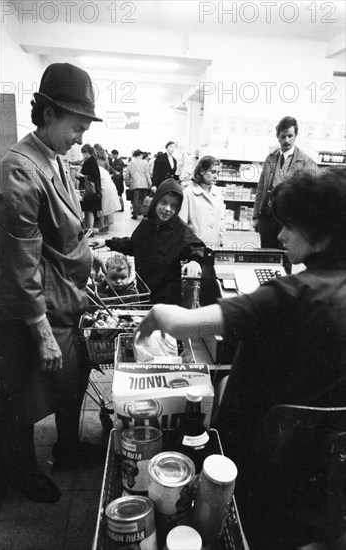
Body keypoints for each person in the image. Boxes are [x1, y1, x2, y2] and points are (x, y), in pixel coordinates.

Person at [136, 167, 346, 549]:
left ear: (323, 233)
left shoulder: (287, 294)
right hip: (327, 463)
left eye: (290, 225)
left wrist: (160, 314)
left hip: (263, 453)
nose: (280, 234)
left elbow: (186, 324)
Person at [0, 63, 105, 504]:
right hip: (32, 312)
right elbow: (19, 262)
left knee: (72, 378)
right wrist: (41, 332)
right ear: (49, 115)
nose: (80, 137)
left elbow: (67, 234)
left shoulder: (53, 160)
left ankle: (68, 445)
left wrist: (93, 259)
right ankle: (20, 473)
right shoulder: (20, 170)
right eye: (76, 126)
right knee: (22, 397)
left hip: (64, 301)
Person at [93, 179, 206, 305]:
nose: (168, 209)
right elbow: (133, 245)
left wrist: (195, 261)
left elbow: (197, 247)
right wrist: (107, 242)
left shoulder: (180, 230)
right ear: (156, 200)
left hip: (168, 297)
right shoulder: (147, 224)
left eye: (173, 205)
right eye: (164, 202)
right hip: (145, 291)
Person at [253, 116, 318, 249]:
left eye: (290, 136)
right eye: (283, 136)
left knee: (285, 257)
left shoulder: (306, 162)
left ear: (295, 136)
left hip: (288, 220)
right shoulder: (270, 158)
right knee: (266, 257)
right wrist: (256, 216)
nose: (286, 140)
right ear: (278, 137)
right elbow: (261, 189)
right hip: (267, 217)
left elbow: (313, 194)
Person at [179, 155, 226, 249]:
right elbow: (182, 225)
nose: (216, 176)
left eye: (217, 172)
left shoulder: (217, 192)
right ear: (201, 171)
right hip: (195, 247)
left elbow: (221, 219)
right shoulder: (188, 193)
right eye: (212, 172)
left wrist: (222, 241)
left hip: (214, 245)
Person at [76, 143, 101, 236]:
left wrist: (81, 175)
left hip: (90, 191)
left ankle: (89, 230)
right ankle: (88, 230)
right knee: (88, 210)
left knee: (89, 210)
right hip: (92, 190)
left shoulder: (90, 162)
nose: (83, 155)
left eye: (83, 153)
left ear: (87, 152)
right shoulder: (92, 160)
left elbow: (93, 177)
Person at [125, 149, 152, 219]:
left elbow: (127, 175)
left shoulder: (131, 163)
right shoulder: (145, 163)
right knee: (143, 200)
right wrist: (150, 183)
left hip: (135, 184)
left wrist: (127, 183)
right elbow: (147, 174)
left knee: (135, 200)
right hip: (144, 184)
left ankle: (135, 214)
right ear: (140, 155)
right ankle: (144, 213)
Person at [96, 163, 121, 234]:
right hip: (109, 190)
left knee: (103, 209)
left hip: (105, 190)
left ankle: (103, 228)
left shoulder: (98, 169)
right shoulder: (103, 170)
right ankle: (105, 227)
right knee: (106, 209)